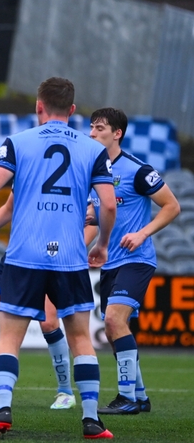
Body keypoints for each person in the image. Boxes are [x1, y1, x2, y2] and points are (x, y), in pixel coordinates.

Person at [0, 77, 116, 439]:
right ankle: (91, 419)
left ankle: (2, 409)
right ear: (72, 110)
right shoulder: (93, 150)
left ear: (38, 106)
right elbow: (109, 204)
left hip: (25, 255)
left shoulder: (18, 143)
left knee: (8, 338)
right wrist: (101, 243)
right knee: (80, 337)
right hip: (69, 255)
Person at [85, 107, 180, 415]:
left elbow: (172, 206)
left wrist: (142, 233)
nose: (92, 133)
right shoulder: (92, 171)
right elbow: (94, 214)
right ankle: (139, 396)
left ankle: (126, 398)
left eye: (99, 128)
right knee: (115, 329)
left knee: (113, 321)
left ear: (117, 134)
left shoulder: (137, 169)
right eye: (91, 127)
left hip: (136, 259)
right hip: (109, 262)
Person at [0, 193, 76, 410]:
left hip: (50, 258)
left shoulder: (70, 174)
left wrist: (68, 250)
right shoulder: (27, 171)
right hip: (15, 258)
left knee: (48, 323)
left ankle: (65, 391)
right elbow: (9, 206)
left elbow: (91, 220)